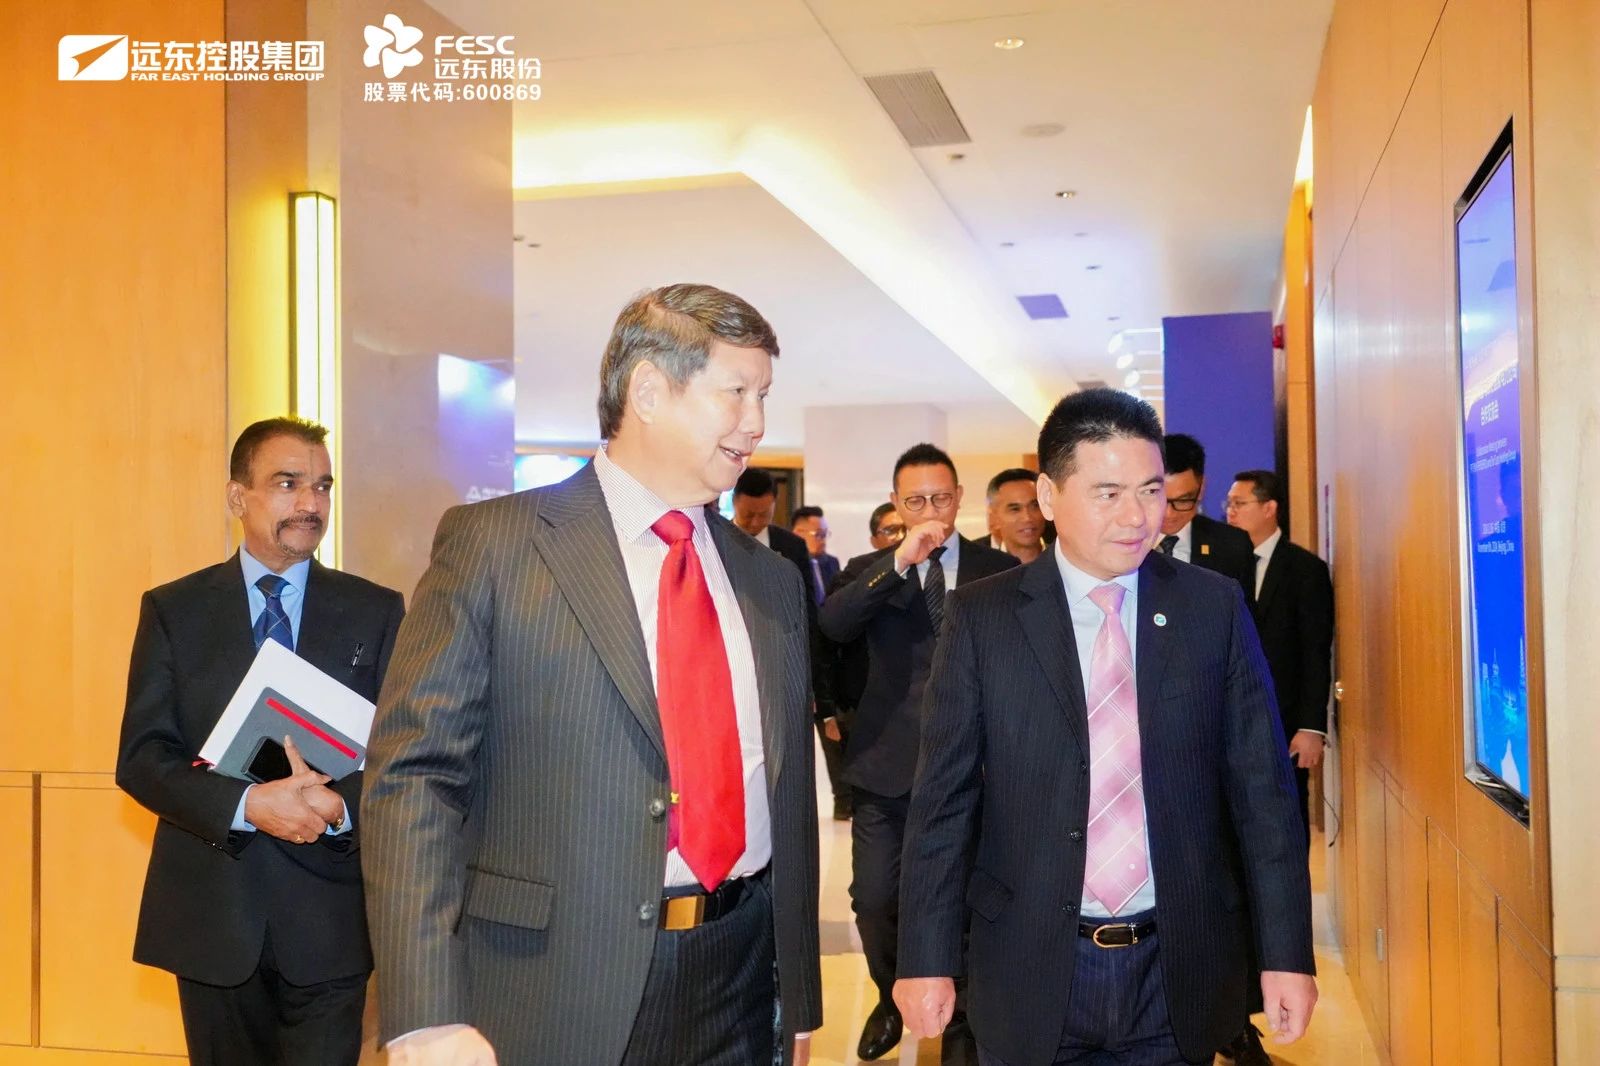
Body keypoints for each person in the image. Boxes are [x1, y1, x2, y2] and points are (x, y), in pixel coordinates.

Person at [363, 283, 822, 1066]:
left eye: (764, 396)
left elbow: (786, 795)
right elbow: (414, 779)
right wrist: (425, 1011)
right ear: (649, 390)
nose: (757, 423)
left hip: (740, 980)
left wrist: (798, 999)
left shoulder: (770, 578)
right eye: (736, 392)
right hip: (554, 983)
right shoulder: (497, 546)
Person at [893, 389, 1316, 1066]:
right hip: (1029, 963)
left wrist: (1287, 953)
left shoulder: (1211, 608)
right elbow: (943, 804)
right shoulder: (984, 618)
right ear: (1049, 496)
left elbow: (1263, 797)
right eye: (1108, 493)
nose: (1137, 516)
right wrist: (925, 959)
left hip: (1176, 965)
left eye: (1150, 491)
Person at [115, 416, 405, 1066]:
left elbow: (401, 755)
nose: (310, 503)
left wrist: (342, 806)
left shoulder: (377, 610)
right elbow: (143, 759)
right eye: (287, 483)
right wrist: (248, 807)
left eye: (322, 486)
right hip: (214, 918)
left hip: (331, 921)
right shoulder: (174, 610)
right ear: (236, 497)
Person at [818, 443, 1017, 1063]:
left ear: (959, 498)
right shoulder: (869, 570)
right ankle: (888, 994)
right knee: (876, 899)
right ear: (897, 503)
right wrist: (900, 560)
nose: (930, 510)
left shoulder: (997, 569)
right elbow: (833, 626)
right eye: (916, 500)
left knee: (967, 905)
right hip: (887, 766)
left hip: (977, 768)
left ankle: (961, 1029)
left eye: (941, 497)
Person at [732, 466, 850, 821]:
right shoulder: (716, 539)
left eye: (763, 514)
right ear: (734, 503)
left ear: (774, 505)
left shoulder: (792, 547)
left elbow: (807, 613)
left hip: (783, 662)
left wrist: (812, 675)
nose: (755, 522)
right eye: (748, 514)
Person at [813, 503, 907, 809]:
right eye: (890, 530)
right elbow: (828, 641)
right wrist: (828, 709)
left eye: (904, 528)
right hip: (863, 707)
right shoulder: (857, 574)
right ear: (874, 539)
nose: (899, 536)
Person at [1158, 433, 1255, 604]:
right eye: (1159, 499)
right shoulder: (1122, 541)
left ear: (1201, 488)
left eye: (1183, 500)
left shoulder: (1233, 546)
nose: (1168, 514)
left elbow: (1244, 617)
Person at [986, 467, 1046, 563]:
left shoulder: (1065, 556)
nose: (1027, 518)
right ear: (994, 517)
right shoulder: (975, 564)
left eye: (1035, 506)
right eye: (1015, 509)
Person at [791, 505, 839, 604]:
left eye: (825, 534)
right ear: (798, 533)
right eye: (819, 534)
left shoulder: (832, 563)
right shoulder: (787, 564)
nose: (823, 541)